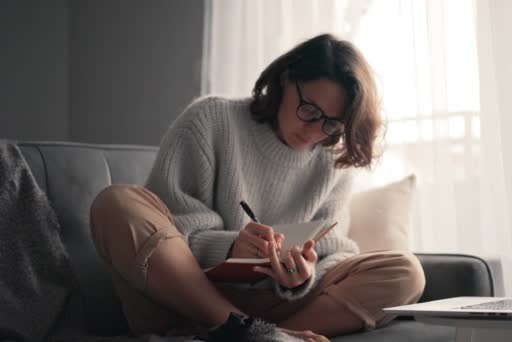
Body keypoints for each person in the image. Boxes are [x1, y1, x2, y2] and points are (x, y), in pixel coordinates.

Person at [90, 33, 425, 341]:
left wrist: (303, 275)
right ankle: (249, 332)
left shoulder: (330, 159)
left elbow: (334, 249)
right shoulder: (210, 120)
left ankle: (268, 336)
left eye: (332, 123)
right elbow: (168, 230)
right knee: (116, 202)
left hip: (273, 304)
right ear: (284, 80)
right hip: (186, 295)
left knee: (405, 272)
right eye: (309, 111)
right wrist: (231, 247)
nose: (314, 131)